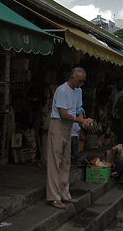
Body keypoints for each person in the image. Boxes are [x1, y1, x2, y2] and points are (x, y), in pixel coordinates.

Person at [46, 67, 93, 209]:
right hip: (59, 124)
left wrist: (83, 122)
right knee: (55, 160)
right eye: (80, 81)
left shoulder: (78, 91)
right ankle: (54, 197)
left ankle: (64, 194)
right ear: (72, 78)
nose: (81, 84)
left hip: (70, 125)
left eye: (83, 81)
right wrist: (81, 121)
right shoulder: (62, 90)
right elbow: (63, 114)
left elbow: (79, 109)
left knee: (66, 161)